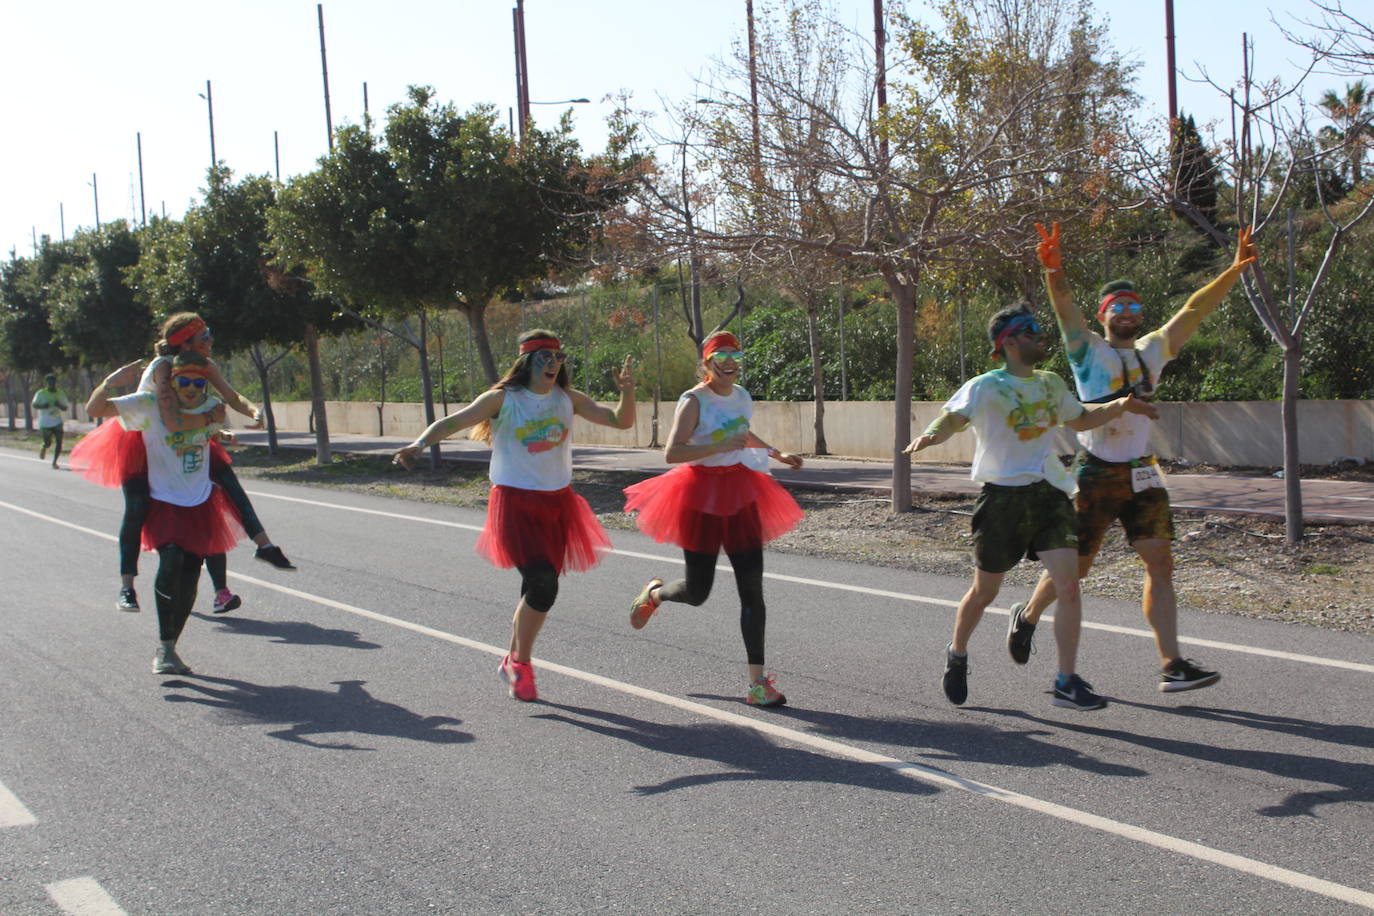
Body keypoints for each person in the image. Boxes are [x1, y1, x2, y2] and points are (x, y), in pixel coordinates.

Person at [1005, 223, 1256, 693]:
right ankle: (1029, 613)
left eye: (1134, 305)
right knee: (1074, 569)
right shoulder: (1087, 352)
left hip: (1143, 471)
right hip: (1094, 472)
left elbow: (1194, 308)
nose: (1127, 311)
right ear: (1104, 314)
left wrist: (1233, 272)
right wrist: (1055, 271)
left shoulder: (1153, 349)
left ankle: (1172, 664)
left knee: (1160, 563)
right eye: (1117, 306)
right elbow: (1065, 310)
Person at [906, 304, 1159, 711]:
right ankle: (957, 653)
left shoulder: (1050, 383)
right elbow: (952, 419)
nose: (1040, 336)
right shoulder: (985, 386)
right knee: (985, 591)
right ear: (1007, 342)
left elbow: (1078, 419)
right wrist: (930, 437)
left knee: (1069, 583)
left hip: (1048, 494)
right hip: (1002, 499)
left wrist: (1120, 405)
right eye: (1030, 331)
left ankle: (1066, 680)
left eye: (1039, 329)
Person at [393, 330, 636, 703]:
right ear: (527, 361)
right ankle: (520, 663)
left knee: (538, 586)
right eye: (544, 356)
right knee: (543, 585)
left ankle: (512, 659)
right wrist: (419, 443)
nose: (553, 362)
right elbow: (453, 422)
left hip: (558, 504)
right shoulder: (503, 399)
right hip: (515, 503)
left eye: (558, 356)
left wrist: (628, 391)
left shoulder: (567, 399)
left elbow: (621, 421)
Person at [622, 331, 805, 708]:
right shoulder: (693, 400)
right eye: (721, 355)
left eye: (735, 354)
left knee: (751, 589)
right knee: (698, 591)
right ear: (707, 363)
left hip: (740, 494)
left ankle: (757, 685)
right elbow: (673, 452)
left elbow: (742, 433)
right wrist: (720, 446)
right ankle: (655, 594)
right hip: (699, 495)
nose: (730, 361)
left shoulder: (741, 396)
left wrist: (776, 452)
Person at [70, 313, 294, 615]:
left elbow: (230, 395)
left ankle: (244, 567)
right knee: (136, 510)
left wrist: (253, 412)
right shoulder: (163, 368)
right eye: (205, 336)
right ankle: (127, 587)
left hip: (192, 435)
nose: (211, 340)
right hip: (147, 437)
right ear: (185, 343)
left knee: (217, 494)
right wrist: (209, 418)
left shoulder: (205, 365)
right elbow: (172, 421)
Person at [84, 352, 246, 674]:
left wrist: (220, 431)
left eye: (197, 382)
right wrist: (113, 380)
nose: (190, 387)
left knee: (189, 577)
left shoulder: (207, 406)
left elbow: (209, 434)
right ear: (168, 380)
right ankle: (131, 592)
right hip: (162, 498)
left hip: (196, 500)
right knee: (170, 558)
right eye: (181, 381)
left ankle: (169, 647)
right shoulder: (147, 403)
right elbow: (95, 410)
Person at [32, 374, 70, 468]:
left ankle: (54, 462)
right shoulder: (41, 393)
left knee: (59, 442)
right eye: (49, 382)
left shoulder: (60, 393)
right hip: (45, 423)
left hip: (57, 421)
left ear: (55, 382)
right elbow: (34, 405)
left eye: (53, 381)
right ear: (47, 383)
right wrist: (43, 406)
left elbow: (65, 407)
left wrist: (59, 405)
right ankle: (44, 446)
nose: (52, 383)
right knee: (48, 442)